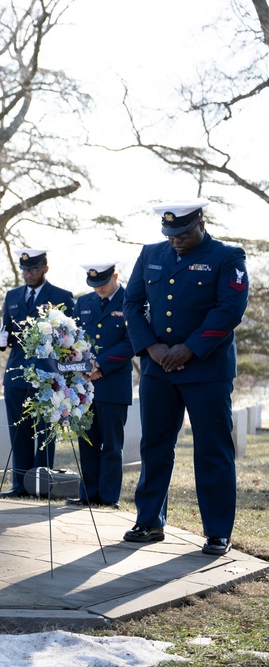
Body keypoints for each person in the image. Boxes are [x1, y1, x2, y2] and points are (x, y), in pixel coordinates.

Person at [122, 199, 248, 556]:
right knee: (155, 446)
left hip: (207, 370)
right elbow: (132, 304)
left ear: (201, 223)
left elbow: (229, 309)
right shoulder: (150, 254)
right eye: (170, 234)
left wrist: (189, 349)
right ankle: (149, 521)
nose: (176, 240)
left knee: (213, 450)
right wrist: (151, 348)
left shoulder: (227, 257)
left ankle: (217, 531)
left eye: (183, 234)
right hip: (157, 369)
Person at [0, 248, 75, 498]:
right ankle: (20, 485)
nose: (28, 274)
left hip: (46, 375)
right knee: (19, 430)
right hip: (17, 372)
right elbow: (6, 331)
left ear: (45, 269)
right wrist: (0, 339)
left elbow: (70, 339)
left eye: (34, 269)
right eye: (25, 270)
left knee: (44, 430)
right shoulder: (12, 295)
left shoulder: (61, 296)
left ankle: (41, 484)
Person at [68, 262, 133, 509]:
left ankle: (108, 497)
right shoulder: (83, 303)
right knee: (87, 441)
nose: (98, 289)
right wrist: (82, 365)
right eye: (94, 285)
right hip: (84, 383)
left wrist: (101, 365)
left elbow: (132, 342)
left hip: (114, 384)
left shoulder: (131, 300)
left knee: (112, 445)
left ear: (115, 276)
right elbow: (73, 338)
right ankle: (88, 493)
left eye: (103, 284)